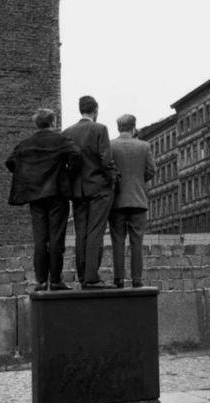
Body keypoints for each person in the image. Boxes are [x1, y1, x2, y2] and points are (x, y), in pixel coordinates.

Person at [6, 108, 79, 291]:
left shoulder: (25, 144)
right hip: (56, 194)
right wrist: (67, 173)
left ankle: (41, 280)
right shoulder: (60, 140)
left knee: (40, 239)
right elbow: (76, 154)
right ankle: (55, 279)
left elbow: (11, 162)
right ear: (53, 122)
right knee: (56, 238)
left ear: (36, 124)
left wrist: (29, 176)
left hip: (35, 196)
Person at [62, 96, 118, 288]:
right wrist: (112, 180)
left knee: (81, 233)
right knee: (96, 232)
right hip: (99, 189)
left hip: (78, 191)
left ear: (80, 110)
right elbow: (106, 160)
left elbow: (66, 163)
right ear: (95, 110)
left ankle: (83, 275)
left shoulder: (67, 132)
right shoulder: (100, 129)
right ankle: (92, 277)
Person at [108, 114, 155, 288]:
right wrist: (138, 179)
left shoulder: (110, 146)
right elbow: (151, 170)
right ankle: (137, 279)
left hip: (117, 201)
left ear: (118, 127)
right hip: (138, 200)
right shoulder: (144, 146)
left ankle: (118, 279)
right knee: (137, 242)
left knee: (117, 241)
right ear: (134, 127)